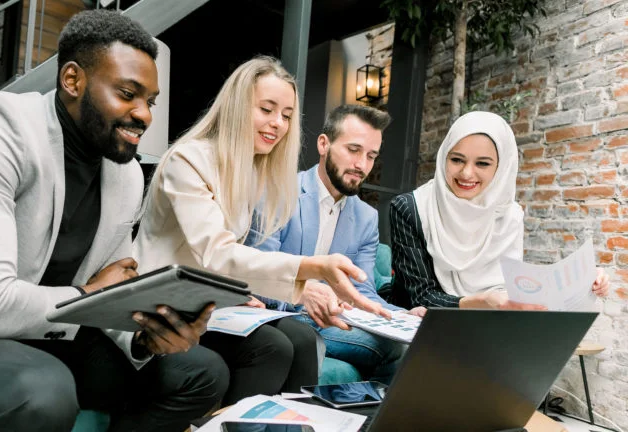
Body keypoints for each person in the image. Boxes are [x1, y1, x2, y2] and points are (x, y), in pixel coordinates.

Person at [0, 10, 229, 432]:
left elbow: (113, 290)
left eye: (150, 101)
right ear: (73, 81)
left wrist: (148, 334)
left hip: (42, 334)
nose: (144, 114)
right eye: (128, 93)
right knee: (42, 392)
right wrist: (88, 293)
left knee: (201, 372)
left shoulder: (125, 174)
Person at [134, 56, 387, 405]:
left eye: (286, 115)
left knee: (298, 339)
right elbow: (217, 253)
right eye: (267, 109)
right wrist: (309, 271)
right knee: (273, 348)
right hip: (165, 304)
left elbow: (233, 264)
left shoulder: (255, 173)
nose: (278, 124)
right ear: (239, 106)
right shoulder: (188, 159)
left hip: (211, 304)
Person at [246, 104, 425, 384]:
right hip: (282, 314)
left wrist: (403, 317)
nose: (362, 165)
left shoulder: (366, 217)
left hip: (337, 317)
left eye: (370, 156)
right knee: (391, 348)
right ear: (323, 144)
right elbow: (257, 277)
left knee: (415, 341)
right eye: (353, 150)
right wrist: (307, 294)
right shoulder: (277, 193)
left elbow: (362, 292)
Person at [389, 111, 610, 309]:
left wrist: (582, 283)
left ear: (501, 168)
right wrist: (480, 302)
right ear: (444, 157)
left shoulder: (509, 214)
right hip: (418, 324)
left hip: (488, 325)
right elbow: (420, 297)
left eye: (482, 164)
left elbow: (510, 288)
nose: (467, 173)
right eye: (457, 160)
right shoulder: (409, 208)